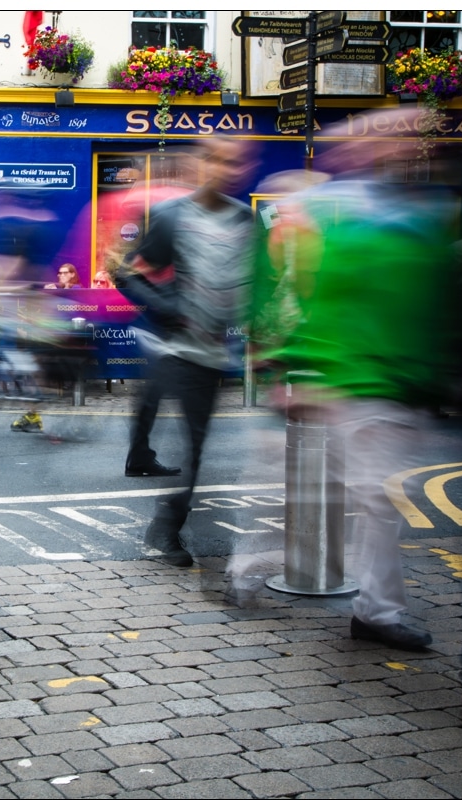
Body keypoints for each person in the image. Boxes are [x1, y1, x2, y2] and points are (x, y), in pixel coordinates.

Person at [250, 120, 458, 649]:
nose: (395, 144)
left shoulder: (424, 211)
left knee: (365, 494)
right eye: (378, 136)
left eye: (400, 136)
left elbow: (434, 302)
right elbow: (327, 299)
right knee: (380, 497)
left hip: (401, 383)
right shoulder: (340, 212)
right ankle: (375, 611)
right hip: (361, 382)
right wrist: (296, 362)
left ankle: (262, 569)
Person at [118, 137, 256, 566]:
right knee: (180, 434)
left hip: (212, 351)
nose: (226, 170)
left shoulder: (245, 221)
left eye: (235, 163)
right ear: (201, 165)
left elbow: (255, 284)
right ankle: (165, 520)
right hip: (175, 347)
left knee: (195, 447)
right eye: (217, 160)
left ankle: (167, 524)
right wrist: (167, 308)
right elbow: (127, 272)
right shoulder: (171, 216)